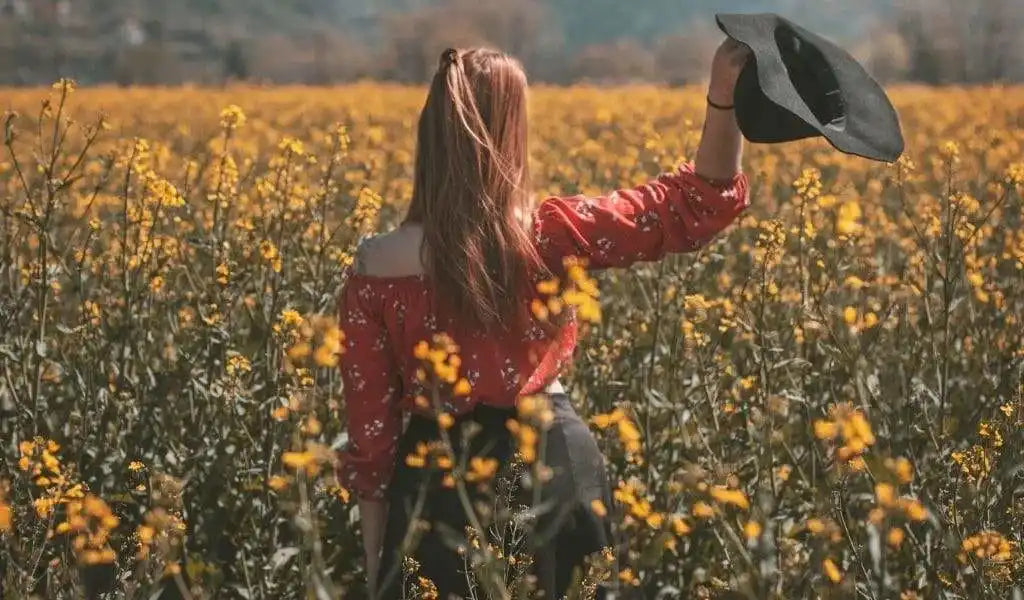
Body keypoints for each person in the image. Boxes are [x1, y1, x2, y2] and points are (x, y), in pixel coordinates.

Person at [336, 38, 752, 599]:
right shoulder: (550, 235)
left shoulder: (375, 266)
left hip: (435, 485)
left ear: (431, 135)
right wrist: (724, 99)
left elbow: (372, 439)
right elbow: (698, 201)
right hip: (555, 469)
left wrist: (376, 566)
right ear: (512, 131)